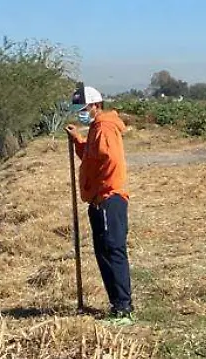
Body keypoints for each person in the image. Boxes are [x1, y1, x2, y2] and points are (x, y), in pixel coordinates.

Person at [67, 84, 134, 324]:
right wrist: (78, 140)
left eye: (84, 108)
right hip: (98, 199)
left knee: (113, 251)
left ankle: (124, 308)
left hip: (108, 198)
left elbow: (111, 161)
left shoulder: (105, 128)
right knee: (103, 252)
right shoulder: (96, 128)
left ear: (96, 106)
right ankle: (117, 305)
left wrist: (101, 190)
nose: (81, 112)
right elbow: (91, 156)